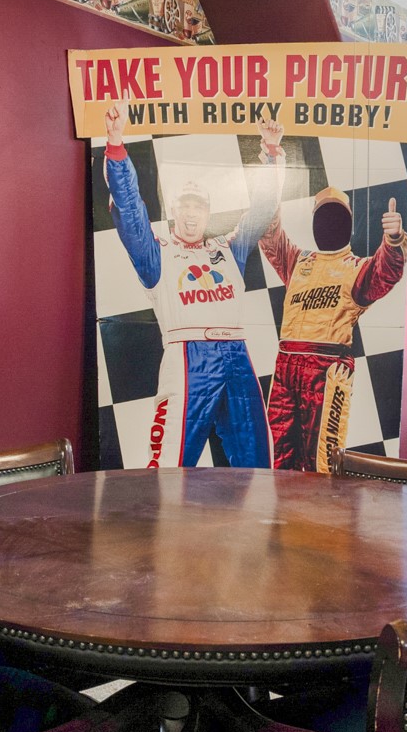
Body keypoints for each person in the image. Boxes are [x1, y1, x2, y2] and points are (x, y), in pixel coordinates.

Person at [103, 105, 283, 467]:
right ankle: (163, 524)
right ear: (174, 210)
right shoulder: (156, 254)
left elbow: (261, 210)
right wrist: (115, 143)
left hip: (236, 355)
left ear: (207, 212)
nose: (190, 214)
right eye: (184, 206)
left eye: (198, 207)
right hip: (188, 358)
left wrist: (272, 152)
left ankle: (256, 525)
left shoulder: (228, 249)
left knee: (259, 464)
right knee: (169, 467)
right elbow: (132, 213)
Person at [261, 190, 406, 471]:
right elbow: (270, 235)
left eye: (336, 217)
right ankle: (282, 516)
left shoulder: (356, 267)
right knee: (277, 457)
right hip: (287, 365)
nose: (329, 223)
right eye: (323, 216)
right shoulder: (298, 261)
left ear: (348, 225)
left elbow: (385, 271)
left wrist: (394, 239)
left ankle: (322, 516)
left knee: (322, 462)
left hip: (326, 370)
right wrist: (270, 171)